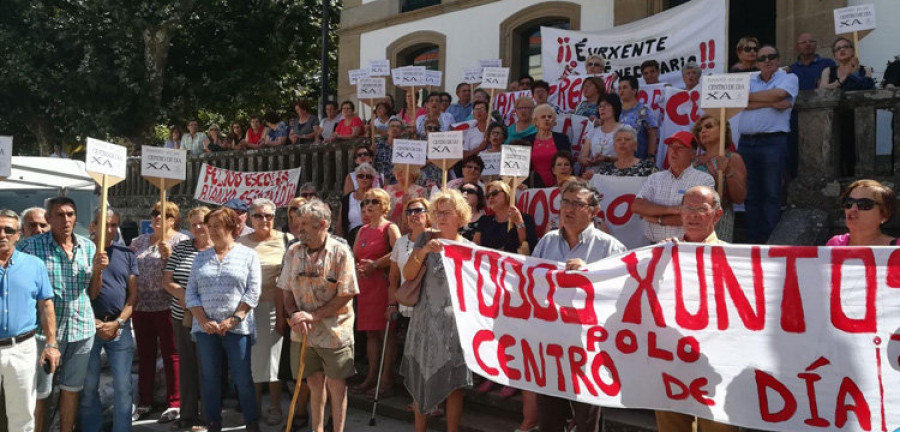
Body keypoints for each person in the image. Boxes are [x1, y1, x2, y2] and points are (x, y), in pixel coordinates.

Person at [532, 180, 626, 432]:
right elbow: (532, 286)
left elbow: (623, 295)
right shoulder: (546, 243)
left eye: (577, 204)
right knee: (549, 419)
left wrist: (590, 276)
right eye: (565, 202)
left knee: (587, 422)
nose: (568, 209)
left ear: (594, 212)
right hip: (551, 345)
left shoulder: (610, 247)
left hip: (591, 348)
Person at [655, 186, 739, 432]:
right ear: (680, 214)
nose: (692, 215)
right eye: (687, 209)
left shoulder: (734, 258)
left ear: (717, 215)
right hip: (672, 358)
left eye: (701, 209)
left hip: (718, 362)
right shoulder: (663, 254)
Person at [17, 196, 100, 432]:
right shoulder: (29, 247)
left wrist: (99, 271)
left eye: (71, 214)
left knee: (71, 390)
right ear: (49, 218)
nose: (66, 219)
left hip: (81, 330)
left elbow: (92, 293)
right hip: (43, 334)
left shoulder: (89, 247)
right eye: (60, 214)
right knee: (40, 393)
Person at [280, 200, 359, 432]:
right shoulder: (293, 251)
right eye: (297, 221)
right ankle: (317, 429)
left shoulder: (340, 251)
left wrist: (313, 316)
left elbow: (348, 292)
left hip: (335, 332)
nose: (298, 227)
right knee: (313, 382)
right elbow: (285, 289)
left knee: (336, 385)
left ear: (322, 224)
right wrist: (294, 315)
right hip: (303, 333)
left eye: (304, 223)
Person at [402, 190, 474, 432]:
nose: (441, 217)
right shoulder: (424, 239)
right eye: (438, 212)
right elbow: (408, 275)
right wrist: (423, 252)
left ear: (460, 216)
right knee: (421, 380)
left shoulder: (470, 248)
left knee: (454, 385)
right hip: (424, 322)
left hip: (455, 326)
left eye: (447, 212)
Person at [186, 207, 262, 432]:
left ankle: (251, 422)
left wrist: (234, 319)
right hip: (206, 329)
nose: (211, 231)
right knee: (209, 378)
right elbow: (191, 293)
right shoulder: (200, 258)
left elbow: (253, 291)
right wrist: (203, 320)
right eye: (209, 227)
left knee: (242, 378)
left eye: (216, 226)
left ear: (232, 227)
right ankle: (213, 423)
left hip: (238, 328)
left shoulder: (248, 255)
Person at [0, 209, 58, 432]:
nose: (3, 235)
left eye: (8, 230)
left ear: (18, 234)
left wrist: (52, 344)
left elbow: (45, 305)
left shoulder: (34, 265)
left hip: (22, 348)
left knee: (23, 415)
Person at [130, 201, 189, 422]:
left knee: (171, 353)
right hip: (142, 306)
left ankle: (174, 402)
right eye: (155, 213)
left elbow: (184, 271)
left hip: (168, 306)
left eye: (165, 214)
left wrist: (169, 254)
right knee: (145, 355)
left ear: (174, 219)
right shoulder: (138, 242)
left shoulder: (181, 241)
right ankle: (145, 401)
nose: (158, 217)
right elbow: (130, 269)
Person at [80, 208, 137, 432]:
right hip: (87, 328)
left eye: (114, 225)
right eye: (104, 224)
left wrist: (118, 323)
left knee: (124, 387)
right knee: (89, 386)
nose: (110, 230)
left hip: (119, 328)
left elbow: (133, 296)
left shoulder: (127, 254)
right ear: (92, 226)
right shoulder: (81, 252)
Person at [238, 199, 293, 425]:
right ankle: (253, 405)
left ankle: (274, 406)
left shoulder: (286, 240)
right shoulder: (240, 243)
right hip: (245, 309)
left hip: (274, 306)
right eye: (259, 216)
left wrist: (283, 314)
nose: (264, 220)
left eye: (269, 216)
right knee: (249, 361)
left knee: (272, 360)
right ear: (251, 218)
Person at [741, 45, 798, 243]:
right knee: (751, 193)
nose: (767, 61)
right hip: (746, 143)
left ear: (778, 59)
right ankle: (752, 239)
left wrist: (753, 99)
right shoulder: (748, 80)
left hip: (773, 141)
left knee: (772, 192)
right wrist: (770, 102)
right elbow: (741, 102)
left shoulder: (789, 78)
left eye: (771, 56)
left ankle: (769, 240)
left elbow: (779, 95)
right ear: (756, 63)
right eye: (762, 58)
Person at [162, 206, 212, 431]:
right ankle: (187, 414)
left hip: (209, 318)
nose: (199, 227)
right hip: (181, 316)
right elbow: (167, 280)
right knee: (187, 366)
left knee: (208, 367)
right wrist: (186, 297)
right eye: (194, 224)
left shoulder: (219, 249)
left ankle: (208, 415)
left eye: (202, 222)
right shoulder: (181, 248)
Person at [351, 189, 400, 397]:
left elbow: (399, 251)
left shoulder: (390, 228)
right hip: (365, 286)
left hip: (383, 285)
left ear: (384, 205)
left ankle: (386, 379)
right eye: (365, 202)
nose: (368, 205)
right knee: (370, 333)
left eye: (374, 201)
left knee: (385, 333)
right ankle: (371, 375)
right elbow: (354, 255)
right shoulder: (362, 230)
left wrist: (377, 264)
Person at [633, 131, 715, 243]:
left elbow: (694, 217)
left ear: (693, 153)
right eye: (671, 147)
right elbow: (637, 206)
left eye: (680, 148)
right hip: (653, 246)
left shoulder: (704, 180)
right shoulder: (654, 178)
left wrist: (658, 219)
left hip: (686, 248)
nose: (673, 151)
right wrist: (672, 209)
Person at [691, 114, 747, 242]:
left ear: (723, 130)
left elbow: (739, 198)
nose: (703, 131)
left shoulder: (733, 158)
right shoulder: (693, 161)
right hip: (693, 218)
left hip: (719, 219)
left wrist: (728, 172)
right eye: (699, 129)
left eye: (709, 126)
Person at [388, 198, 431, 321]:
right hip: (407, 306)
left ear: (428, 214)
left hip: (430, 307)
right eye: (409, 212)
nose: (413, 215)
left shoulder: (436, 239)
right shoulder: (400, 242)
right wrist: (391, 305)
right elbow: (393, 277)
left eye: (418, 211)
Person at [827, 180, 897, 246]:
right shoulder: (835, 244)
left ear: (884, 215)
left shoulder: (897, 247)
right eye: (849, 202)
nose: (853, 209)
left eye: (863, 204)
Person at [523, 103, 572, 187]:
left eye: (549, 117)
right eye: (543, 117)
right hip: (533, 186)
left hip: (558, 185)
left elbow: (569, 163)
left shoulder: (562, 139)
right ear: (536, 122)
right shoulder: (526, 140)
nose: (547, 119)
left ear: (553, 122)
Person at [592, 125, 658, 178]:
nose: (622, 142)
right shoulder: (604, 172)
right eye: (618, 140)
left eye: (627, 139)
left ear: (635, 145)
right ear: (614, 146)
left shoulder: (649, 168)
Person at [618, 76, 659, 160]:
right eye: (619, 88)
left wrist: (651, 156)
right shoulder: (615, 110)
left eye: (625, 87)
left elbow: (652, 133)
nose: (621, 91)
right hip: (617, 159)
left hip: (638, 159)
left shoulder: (643, 110)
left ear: (634, 90)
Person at [579, 94, 622, 172]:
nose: (602, 109)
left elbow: (628, 158)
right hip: (593, 177)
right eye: (600, 106)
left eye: (606, 106)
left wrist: (607, 159)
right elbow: (582, 158)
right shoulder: (593, 131)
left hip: (616, 176)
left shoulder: (625, 130)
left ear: (615, 108)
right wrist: (590, 161)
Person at [338, 163, 377, 245]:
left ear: (372, 179)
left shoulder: (377, 198)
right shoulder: (347, 199)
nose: (364, 179)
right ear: (356, 178)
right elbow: (340, 224)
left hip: (373, 238)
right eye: (361, 176)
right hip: (351, 239)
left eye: (368, 176)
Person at [385, 164, 428, 231]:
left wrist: (406, 204)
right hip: (388, 230)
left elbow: (423, 214)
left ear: (412, 172)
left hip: (409, 231)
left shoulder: (420, 191)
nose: (399, 171)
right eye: (397, 169)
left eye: (403, 169)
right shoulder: (386, 189)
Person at [373, 119, 404, 184]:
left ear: (401, 131)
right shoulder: (378, 146)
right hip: (381, 182)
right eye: (392, 126)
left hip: (400, 183)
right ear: (387, 130)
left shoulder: (406, 147)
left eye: (398, 127)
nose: (395, 128)